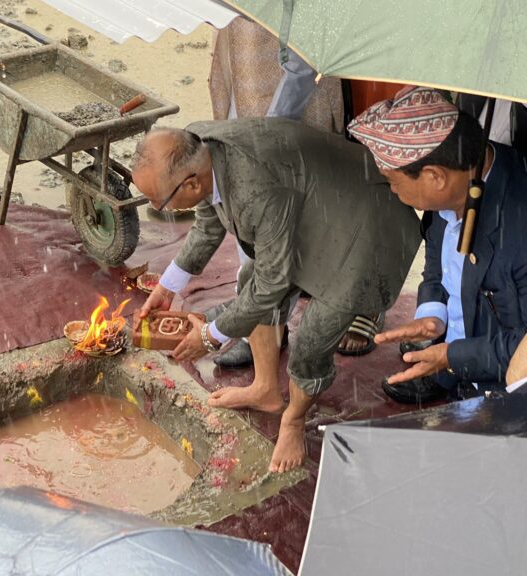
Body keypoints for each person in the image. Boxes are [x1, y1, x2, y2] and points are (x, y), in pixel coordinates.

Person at [132, 119, 420, 472]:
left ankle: (294, 420)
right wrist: (167, 287)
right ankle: (266, 390)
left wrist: (211, 336)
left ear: (191, 183)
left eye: (159, 201)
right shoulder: (198, 151)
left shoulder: (254, 188)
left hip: (364, 227)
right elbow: (208, 224)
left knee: (313, 336)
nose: (159, 208)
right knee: (251, 277)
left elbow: (271, 283)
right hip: (312, 203)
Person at [208, 19, 384, 366]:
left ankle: (364, 299)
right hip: (243, 40)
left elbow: (309, 49)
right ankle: (262, 318)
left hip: (301, 50)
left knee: (325, 188)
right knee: (249, 183)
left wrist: (271, 127)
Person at [349, 86, 527, 403]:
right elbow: (438, 259)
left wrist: (451, 356)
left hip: (507, 391)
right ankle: (452, 377)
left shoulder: (519, 231)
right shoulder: (456, 185)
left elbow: (522, 348)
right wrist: (434, 312)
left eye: (393, 182)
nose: (393, 191)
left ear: (435, 177)